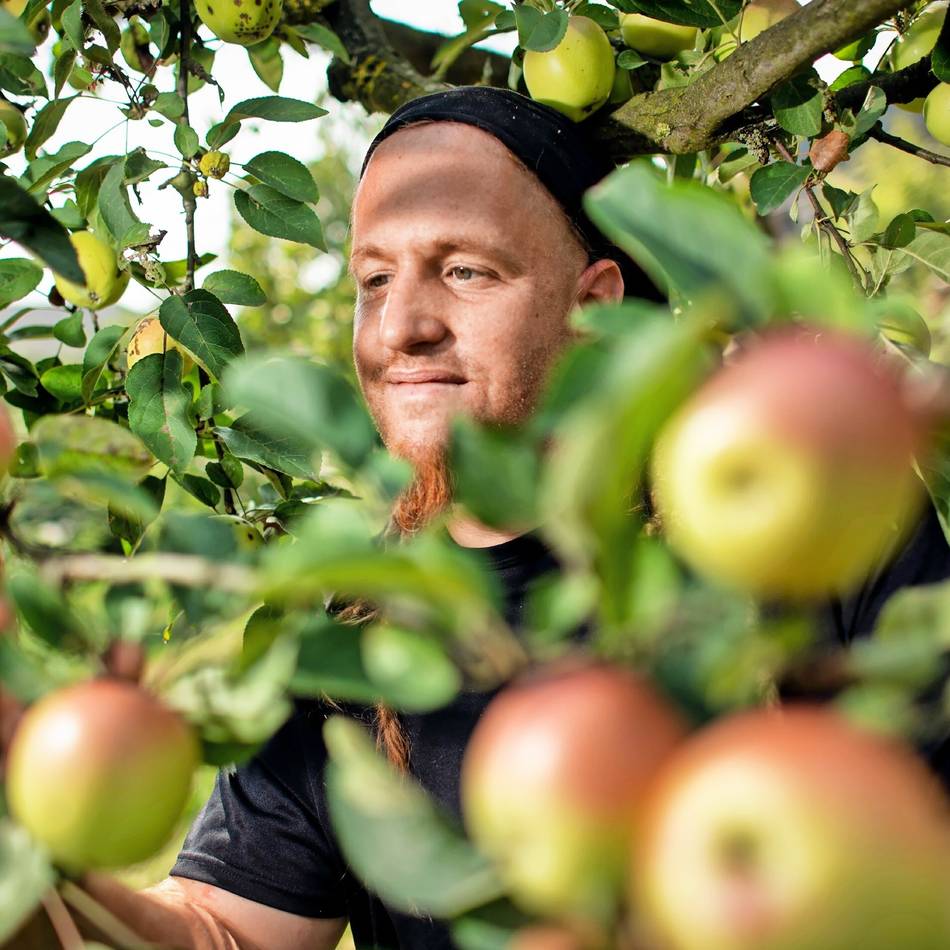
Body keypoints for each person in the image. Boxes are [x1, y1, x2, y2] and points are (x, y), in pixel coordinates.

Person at [77, 86, 950, 950]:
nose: (401, 327)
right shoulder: (356, 631)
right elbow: (220, 929)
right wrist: (41, 882)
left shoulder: (804, 531)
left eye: (465, 270)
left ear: (596, 308)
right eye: (374, 279)